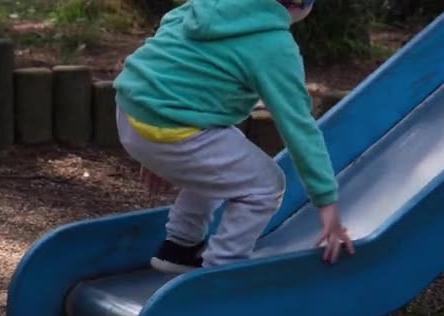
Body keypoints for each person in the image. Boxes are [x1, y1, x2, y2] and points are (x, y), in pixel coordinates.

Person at [113, 0, 355, 274]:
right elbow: (298, 126)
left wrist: (156, 152)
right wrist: (327, 203)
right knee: (265, 185)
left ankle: (179, 247)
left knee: (223, 154)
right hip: (172, 129)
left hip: (131, 111)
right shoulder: (273, 45)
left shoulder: (210, 5)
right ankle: (221, 268)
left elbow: (166, 53)